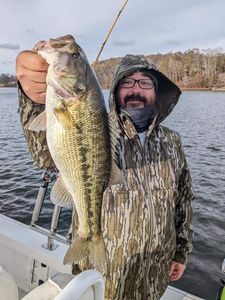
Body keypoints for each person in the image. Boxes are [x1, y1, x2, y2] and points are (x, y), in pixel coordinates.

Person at [16, 43, 195, 300]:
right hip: (102, 272)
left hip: (154, 273)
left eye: (145, 82)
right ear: (116, 90)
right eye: (128, 82)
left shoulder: (172, 140)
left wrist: (181, 252)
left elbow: (185, 199)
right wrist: (33, 99)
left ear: (156, 91)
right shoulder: (99, 124)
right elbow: (43, 155)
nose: (136, 89)